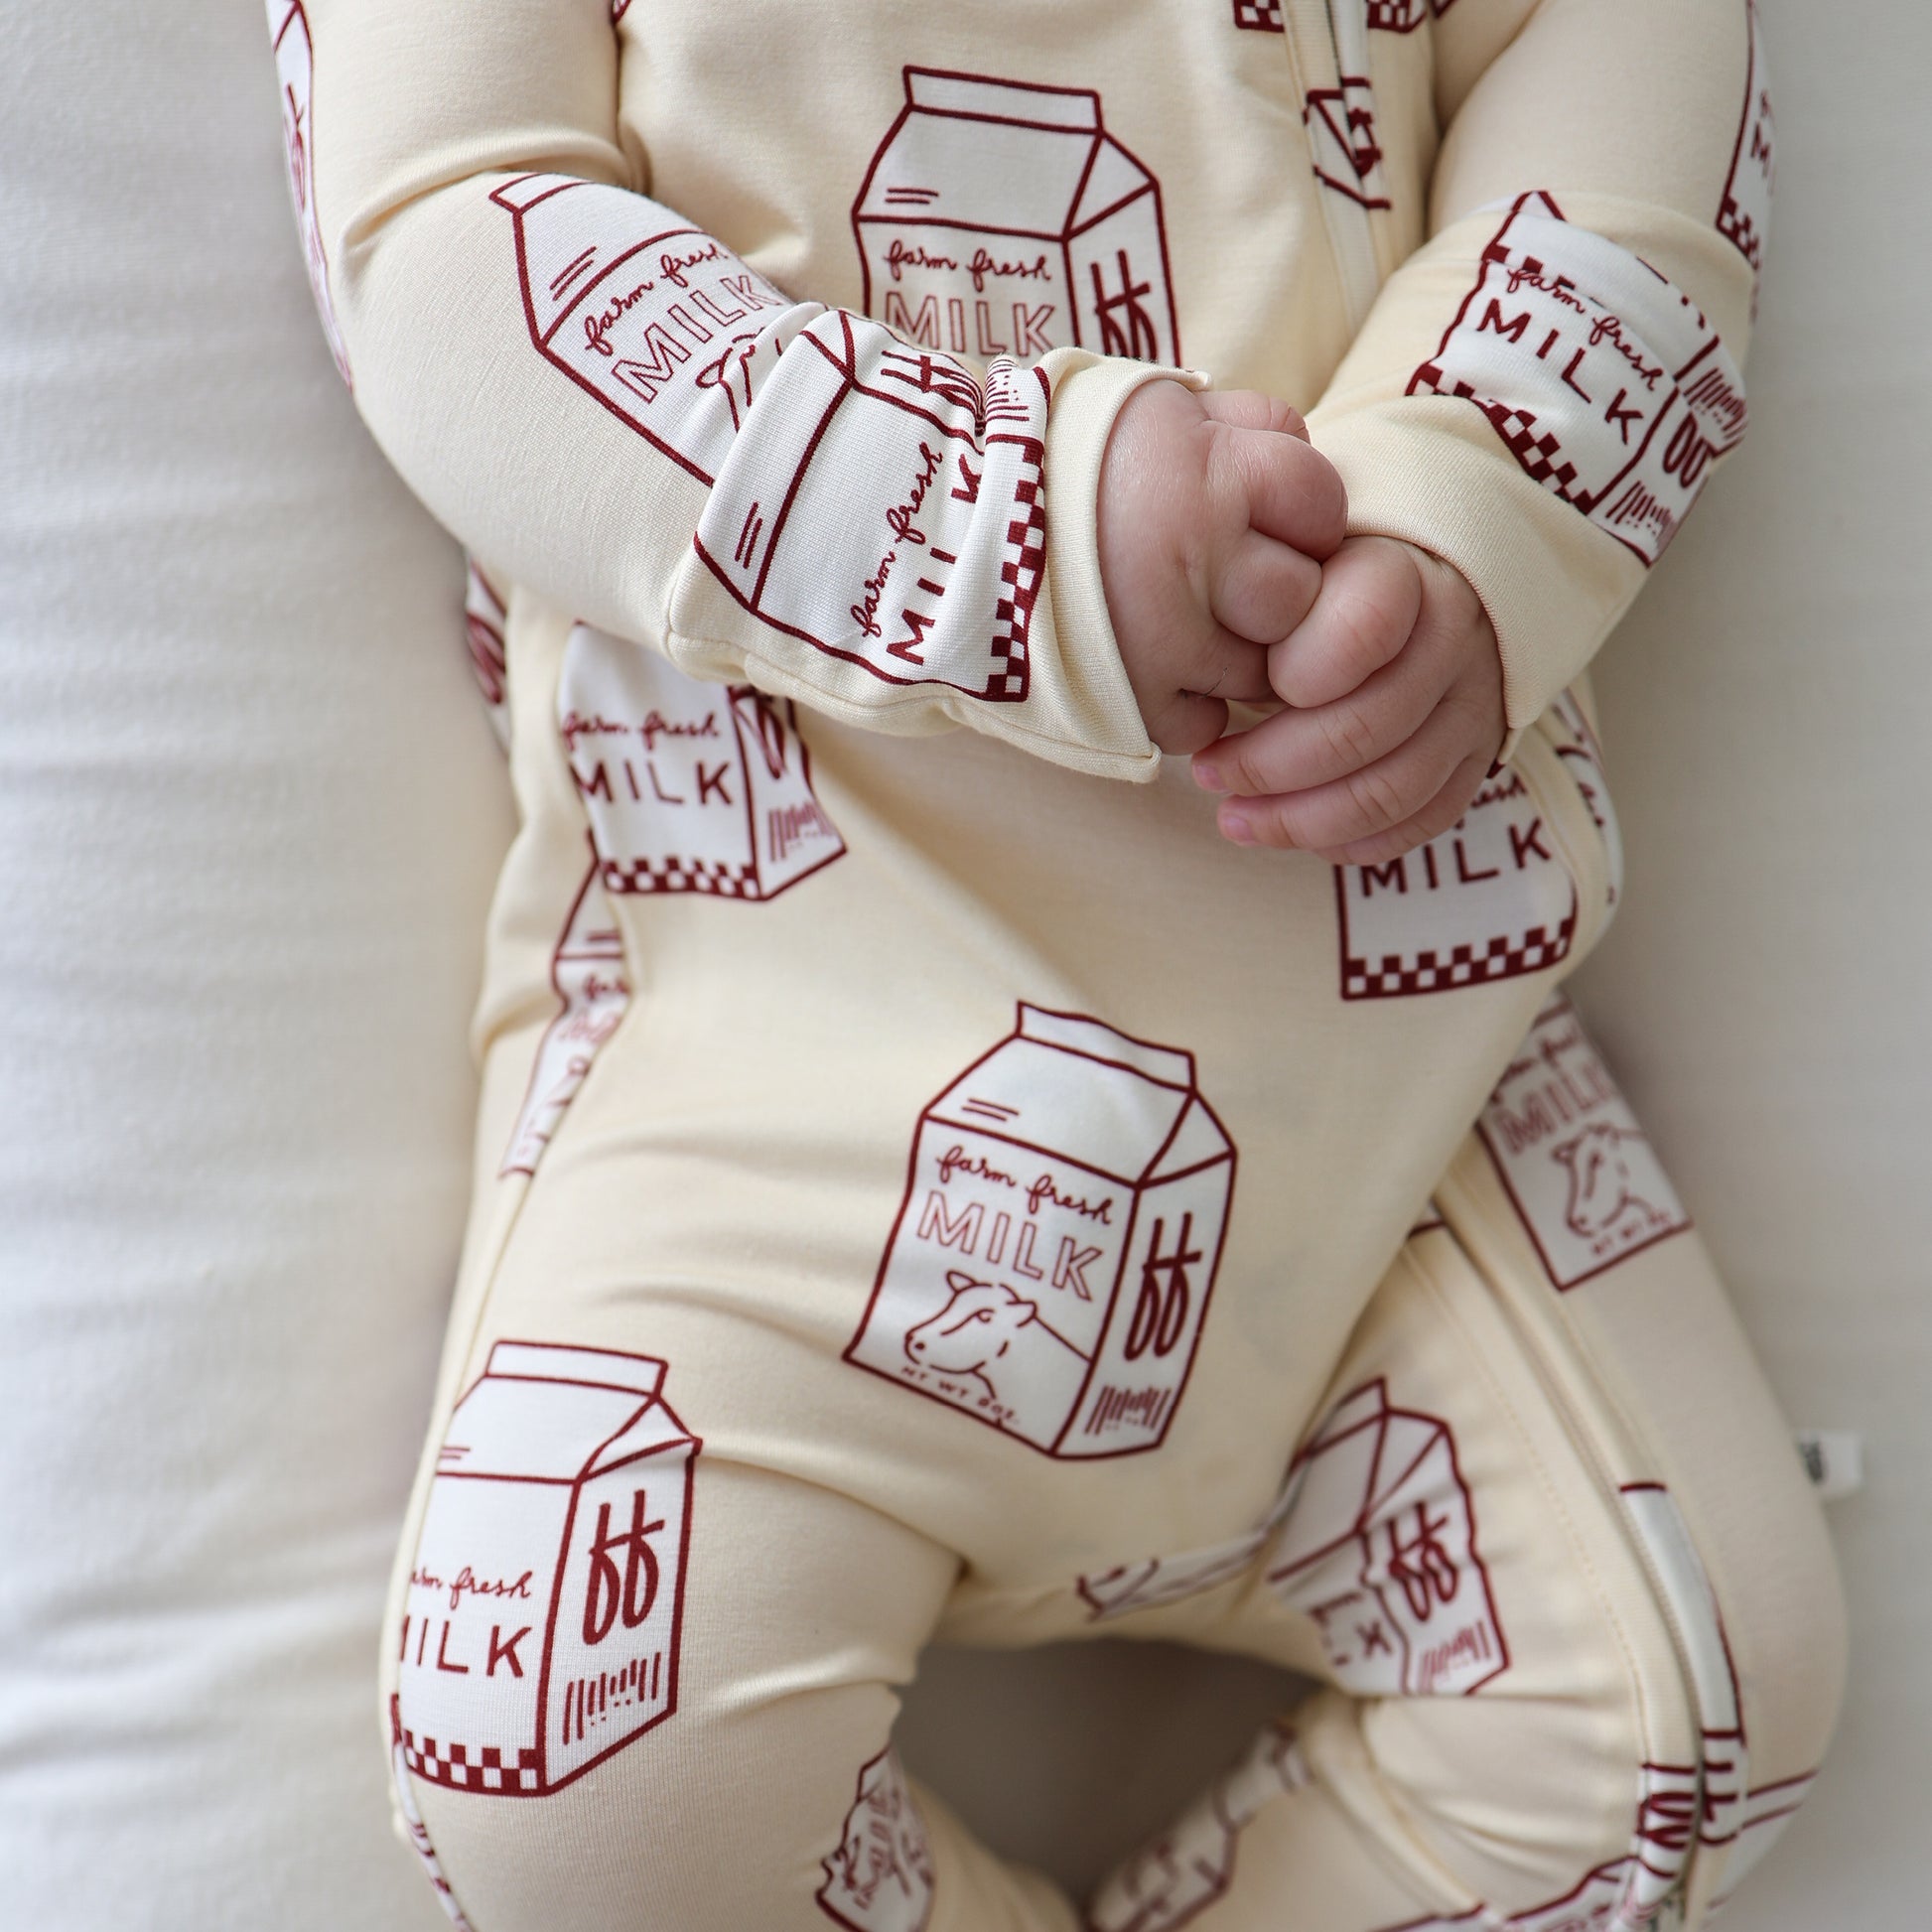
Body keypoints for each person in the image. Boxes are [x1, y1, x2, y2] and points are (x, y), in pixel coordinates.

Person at [268, 0, 1844, 1925]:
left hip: (1370, 1060)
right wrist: (999, 532)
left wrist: (1471, 509)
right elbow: (446, 251)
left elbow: (1627, 59)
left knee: (1701, 1695)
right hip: (777, 1051)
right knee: (574, 1789)